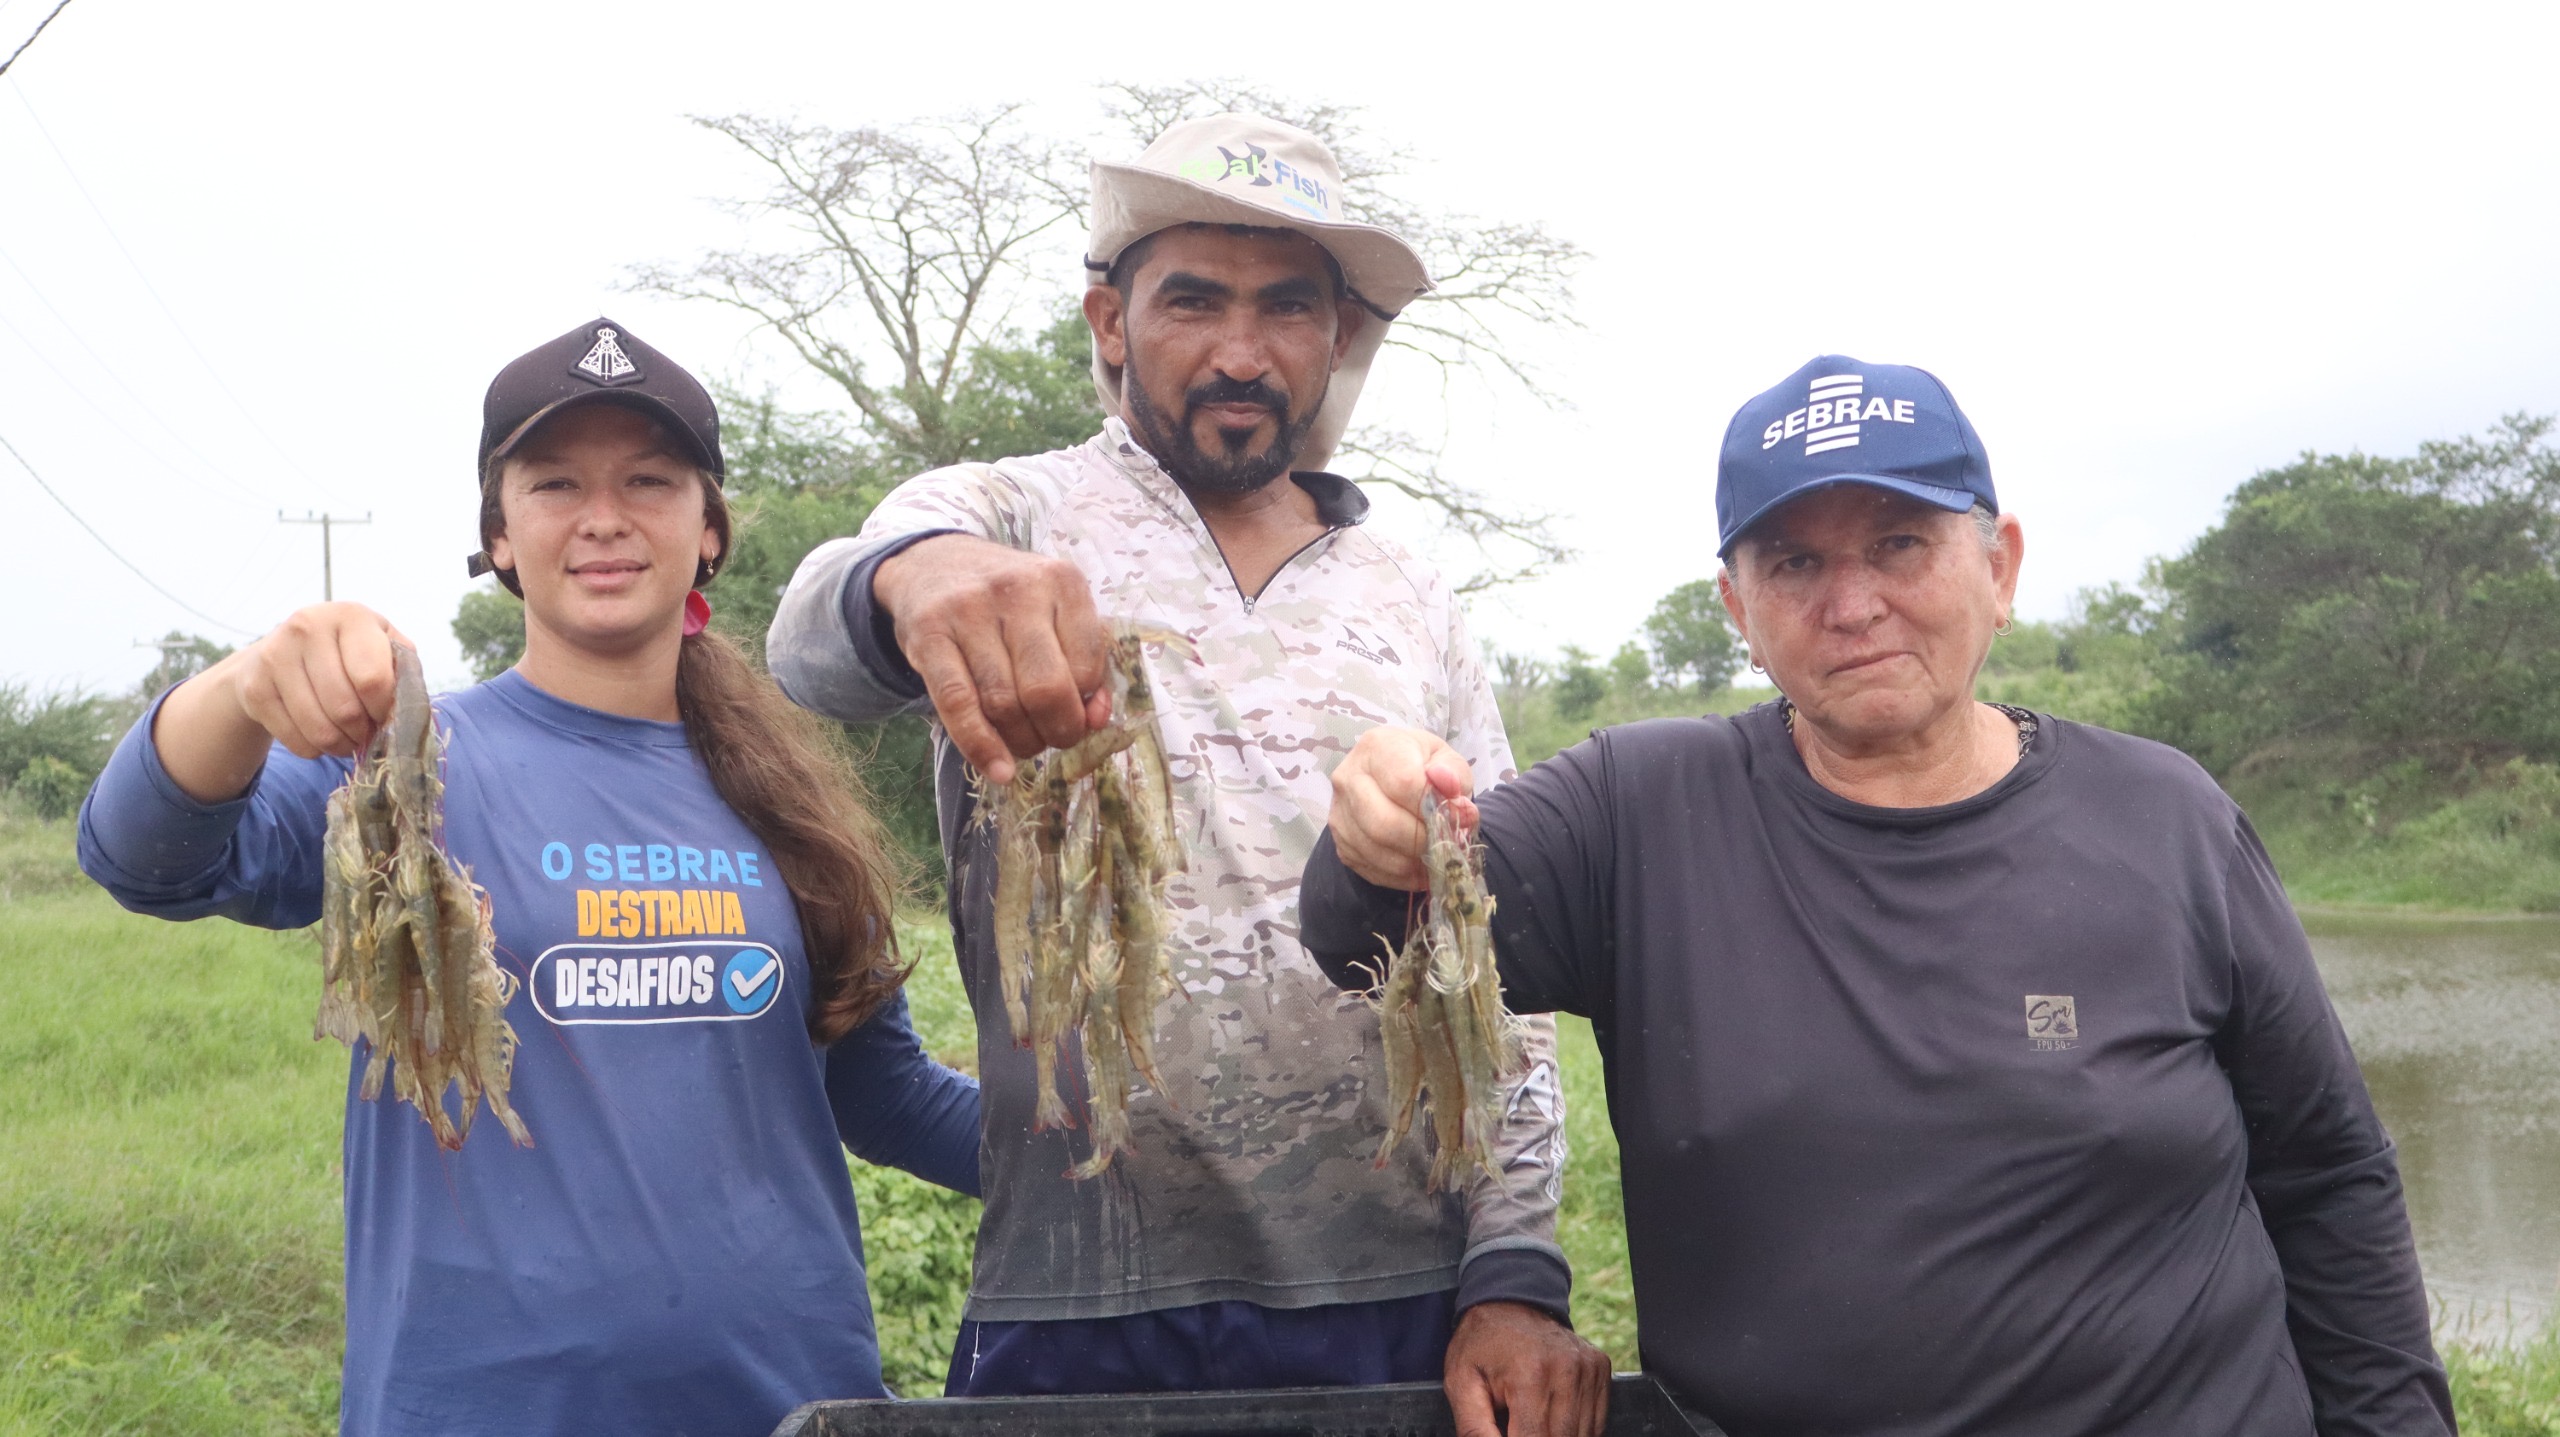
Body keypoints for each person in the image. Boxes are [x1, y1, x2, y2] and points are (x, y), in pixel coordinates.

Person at [1302, 356, 2455, 1437]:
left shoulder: (2166, 817)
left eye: (1899, 544)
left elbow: (2326, 1170)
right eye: (1793, 563)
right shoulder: (1637, 811)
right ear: (1736, 608)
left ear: (1997, 567)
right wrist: (1380, 829)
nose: (1850, 604)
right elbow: (1370, 940)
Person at [766, 114, 1608, 1436]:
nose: (1239, 348)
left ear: (1335, 338)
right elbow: (811, 645)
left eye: (1286, 307)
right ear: (1109, 320)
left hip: (1387, 1300)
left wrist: (1515, 1273)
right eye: (1192, 301)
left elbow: (1498, 967)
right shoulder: (1011, 511)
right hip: (1078, 1302)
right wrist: (909, 580)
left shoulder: (1412, 598)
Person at [77, 319, 982, 1437]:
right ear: (500, 537)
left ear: (708, 530)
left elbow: (888, 1099)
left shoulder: (791, 803)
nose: (604, 517)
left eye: (650, 480)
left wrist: (1181, 1164)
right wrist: (243, 686)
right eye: (555, 483)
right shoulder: (397, 769)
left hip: (790, 1403)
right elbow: (144, 857)